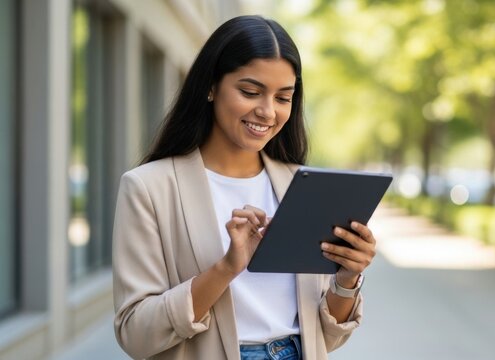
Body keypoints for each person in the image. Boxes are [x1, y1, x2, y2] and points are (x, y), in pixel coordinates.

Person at [112, 15, 377, 360]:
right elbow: (135, 334)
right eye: (250, 92)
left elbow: (326, 337)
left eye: (284, 98)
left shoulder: (304, 187)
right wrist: (226, 268)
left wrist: (348, 276)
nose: (267, 112)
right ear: (210, 86)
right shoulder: (149, 188)